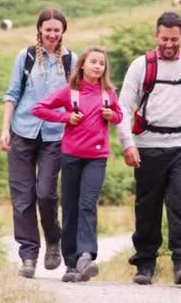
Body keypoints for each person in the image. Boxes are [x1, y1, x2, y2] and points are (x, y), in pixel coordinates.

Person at [116, 11, 181, 285]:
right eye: (164, 39)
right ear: (156, 36)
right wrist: (127, 143)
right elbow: (123, 108)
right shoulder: (141, 66)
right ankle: (145, 265)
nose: (169, 44)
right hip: (147, 146)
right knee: (147, 206)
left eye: (174, 39)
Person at [33, 46, 122, 283]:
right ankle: (71, 265)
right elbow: (38, 108)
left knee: (87, 204)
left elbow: (120, 115)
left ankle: (86, 256)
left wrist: (111, 116)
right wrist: (65, 117)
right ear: (82, 64)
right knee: (71, 207)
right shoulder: (69, 92)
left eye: (101, 63)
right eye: (93, 61)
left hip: (97, 157)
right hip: (71, 156)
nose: (97, 66)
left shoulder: (108, 93)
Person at [0, 8, 77, 279]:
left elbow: (76, 100)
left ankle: (53, 240)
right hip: (22, 131)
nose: (52, 35)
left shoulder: (70, 60)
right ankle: (29, 255)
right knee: (22, 198)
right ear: (40, 31)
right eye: (48, 30)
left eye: (57, 30)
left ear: (63, 31)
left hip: (56, 135)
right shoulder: (26, 56)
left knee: (45, 194)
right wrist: (5, 130)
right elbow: (12, 94)